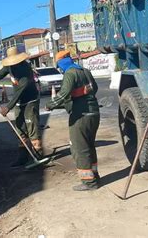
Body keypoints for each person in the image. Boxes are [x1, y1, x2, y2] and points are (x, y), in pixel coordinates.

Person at [45, 50, 100, 191]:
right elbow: (95, 88)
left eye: (58, 65)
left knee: (79, 148)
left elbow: (63, 95)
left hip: (80, 116)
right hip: (93, 113)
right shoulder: (85, 71)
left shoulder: (70, 73)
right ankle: (95, 176)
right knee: (89, 146)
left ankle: (89, 182)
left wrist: (50, 105)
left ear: (61, 63)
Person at [0, 46, 42, 166]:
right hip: (19, 102)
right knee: (20, 128)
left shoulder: (25, 69)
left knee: (32, 128)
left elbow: (21, 89)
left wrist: (8, 107)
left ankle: (38, 156)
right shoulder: (10, 66)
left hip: (30, 100)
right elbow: (0, 74)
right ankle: (23, 157)